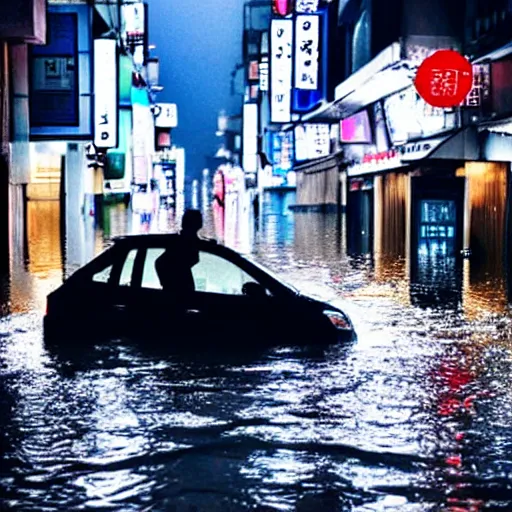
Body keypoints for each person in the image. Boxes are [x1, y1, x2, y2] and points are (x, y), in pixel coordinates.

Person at [155, 209, 203, 302]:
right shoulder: (181, 243)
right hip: (179, 293)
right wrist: (168, 283)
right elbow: (160, 262)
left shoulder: (184, 241)